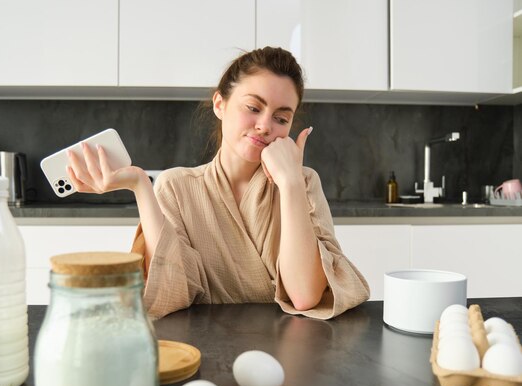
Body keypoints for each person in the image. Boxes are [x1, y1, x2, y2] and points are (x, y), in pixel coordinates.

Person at [66, 46, 369, 319]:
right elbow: (173, 290)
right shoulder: (177, 187)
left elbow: (304, 297)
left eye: (281, 118)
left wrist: (290, 184)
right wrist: (140, 186)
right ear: (220, 104)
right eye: (253, 108)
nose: (265, 125)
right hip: (203, 347)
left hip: (291, 351)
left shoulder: (302, 182)